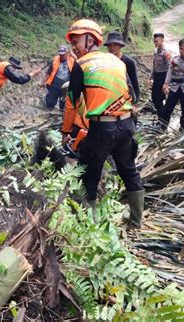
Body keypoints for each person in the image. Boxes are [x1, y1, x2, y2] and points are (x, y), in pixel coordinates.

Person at [62, 19, 144, 229]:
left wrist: (66, 131)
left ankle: (91, 226)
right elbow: (133, 96)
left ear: (91, 39)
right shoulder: (119, 62)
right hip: (126, 127)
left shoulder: (81, 65)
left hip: (101, 129)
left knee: (90, 174)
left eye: (77, 41)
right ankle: (136, 223)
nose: (74, 47)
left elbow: (72, 102)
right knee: (129, 171)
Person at [160, 38, 184, 132]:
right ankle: (163, 127)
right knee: (167, 108)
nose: (180, 50)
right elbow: (169, 73)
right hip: (174, 87)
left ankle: (182, 128)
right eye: (179, 48)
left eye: (182, 48)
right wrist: (166, 84)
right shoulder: (174, 60)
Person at [105, 31, 140, 101]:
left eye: (115, 45)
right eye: (110, 45)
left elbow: (134, 83)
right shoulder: (104, 61)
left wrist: (135, 100)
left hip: (124, 98)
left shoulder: (129, 62)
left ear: (120, 46)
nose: (112, 48)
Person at [40, 46, 75, 110]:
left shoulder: (72, 60)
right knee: (49, 103)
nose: (61, 56)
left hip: (66, 89)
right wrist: (43, 81)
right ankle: (49, 117)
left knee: (64, 107)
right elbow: (49, 72)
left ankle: (61, 118)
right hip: (54, 87)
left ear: (67, 53)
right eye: (60, 55)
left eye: (63, 54)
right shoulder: (55, 60)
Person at [151, 33, 171, 118]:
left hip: (163, 77)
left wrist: (166, 83)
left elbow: (169, 69)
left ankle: (163, 119)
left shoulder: (165, 53)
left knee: (158, 99)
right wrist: (151, 77)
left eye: (156, 41)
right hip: (156, 77)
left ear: (162, 40)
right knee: (155, 98)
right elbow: (155, 67)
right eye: (154, 41)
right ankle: (162, 117)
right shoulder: (156, 52)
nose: (155, 43)